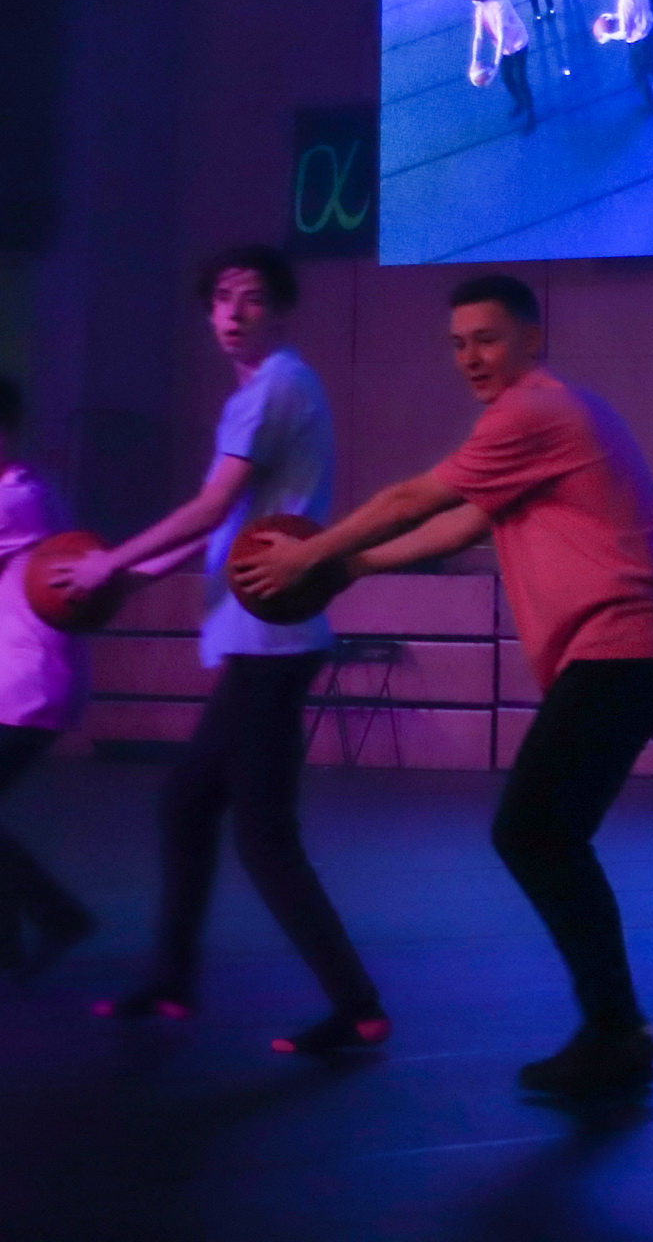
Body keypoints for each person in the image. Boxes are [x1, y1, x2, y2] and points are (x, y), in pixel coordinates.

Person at [231, 274, 653, 1098]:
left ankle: (617, 1030)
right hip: (630, 654)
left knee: (533, 833)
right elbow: (465, 522)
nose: (470, 357)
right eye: (457, 344)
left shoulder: (532, 411)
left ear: (531, 338)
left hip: (622, 649)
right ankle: (618, 1027)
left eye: (486, 338)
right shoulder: (541, 422)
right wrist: (351, 566)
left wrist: (309, 555)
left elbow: (411, 498)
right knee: (547, 835)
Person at [61, 247, 385, 1057]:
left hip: (271, 640)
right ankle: (174, 979)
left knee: (264, 838)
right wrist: (131, 575)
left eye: (252, 298)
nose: (233, 313)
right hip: (259, 638)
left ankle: (356, 1005)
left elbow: (211, 509)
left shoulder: (275, 386)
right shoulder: (263, 392)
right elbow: (227, 520)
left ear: (281, 310)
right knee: (187, 805)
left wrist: (109, 561)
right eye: (221, 299)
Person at [0, 376, 97, 980]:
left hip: (28, 684)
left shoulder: (16, 500)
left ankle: (58, 915)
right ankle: (12, 943)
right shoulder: (29, 489)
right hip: (21, 679)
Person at [467, 0, 535, 130]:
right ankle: (520, 103)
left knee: (521, 80)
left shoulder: (500, 5)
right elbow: (478, 36)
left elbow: (502, 36)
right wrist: (474, 61)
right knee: (507, 79)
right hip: (503, 48)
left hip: (518, 44)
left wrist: (495, 67)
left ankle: (531, 115)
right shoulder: (480, 8)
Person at [598, 0, 653, 110]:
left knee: (639, 75)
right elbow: (637, 9)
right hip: (650, 30)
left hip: (638, 41)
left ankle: (652, 106)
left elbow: (624, 33)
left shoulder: (625, 1)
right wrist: (615, 16)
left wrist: (608, 36)